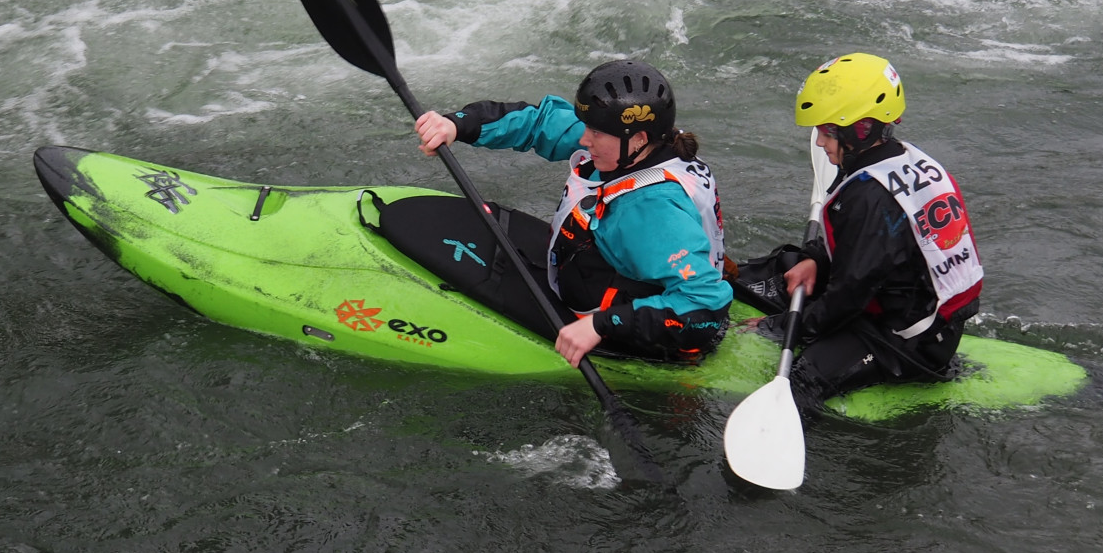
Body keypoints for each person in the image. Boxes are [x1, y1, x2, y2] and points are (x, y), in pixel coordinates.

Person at [412, 60, 731, 367]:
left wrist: (601, 325)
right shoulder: (646, 146)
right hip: (629, 271)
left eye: (596, 132)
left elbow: (705, 307)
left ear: (638, 138)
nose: (583, 138)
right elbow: (539, 123)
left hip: (640, 331)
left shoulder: (651, 210)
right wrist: (457, 124)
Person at [730, 53, 982, 409]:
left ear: (860, 129)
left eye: (827, 131)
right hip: (918, 304)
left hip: (909, 341)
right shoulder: (904, 158)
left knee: (804, 378)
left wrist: (783, 326)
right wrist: (816, 259)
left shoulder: (869, 196)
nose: (818, 142)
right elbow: (875, 247)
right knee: (789, 261)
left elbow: (848, 296)